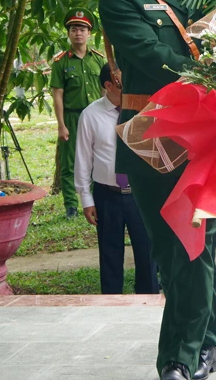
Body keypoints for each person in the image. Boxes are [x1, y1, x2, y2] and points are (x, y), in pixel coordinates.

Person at [98, 0, 216, 380]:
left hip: (208, 134)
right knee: (169, 245)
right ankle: (211, 335)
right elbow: (149, 57)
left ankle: (180, 355)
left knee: (194, 241)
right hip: (149, 132)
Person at [75, 63, 158, 295]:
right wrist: (86, 198)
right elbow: (83, 159)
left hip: (140, 193)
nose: (128, 86)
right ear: (108, 85)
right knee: (110, 255)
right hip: (107, 194)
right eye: (122, 83)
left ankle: (148, 300)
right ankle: (111, 303)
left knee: (147, 253)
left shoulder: (143, 109)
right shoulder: (90, 115)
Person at [50, 9, 107, 219]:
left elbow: (105, 90)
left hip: (96, 117)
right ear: (68, 33)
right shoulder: (61, 62)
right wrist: (61, 124)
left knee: (97, 157)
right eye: (74, 29)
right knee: (69, 162)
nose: (78, 33)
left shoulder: (99, 60)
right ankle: (71, 206)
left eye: (82, 29)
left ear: (89, 33)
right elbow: (58, 95)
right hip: (72, 117)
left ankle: (93, 201)